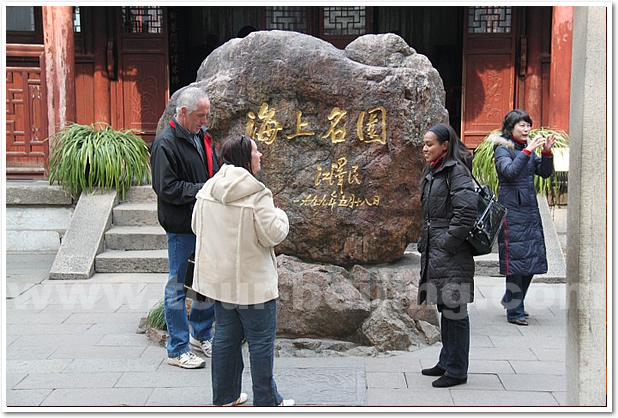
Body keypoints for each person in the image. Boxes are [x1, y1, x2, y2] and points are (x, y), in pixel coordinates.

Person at [191, 135, 295, 406]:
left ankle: (226, 397)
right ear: (245, 158)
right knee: (260, 344)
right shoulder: (257, 194)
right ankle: (267, 401)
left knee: (225, 337)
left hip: (220, 281)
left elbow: (195, 227)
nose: (260, 155)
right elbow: (272, 234)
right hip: (253, 283)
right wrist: (281, 215)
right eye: (256, 151)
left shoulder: (208, 189)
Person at [150, 87, 219, 369]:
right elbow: (166, 188)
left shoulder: (199, 136)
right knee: (177, 286)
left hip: (204, 221)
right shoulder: (165, 142)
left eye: (206, 116)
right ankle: (177, 348)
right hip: (181, 225)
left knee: (206, 282)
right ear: (183, 113)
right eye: (200, 116)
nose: (205, 121)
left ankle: (201, 334)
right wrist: (204, 189)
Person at [417, 123, 478, 388]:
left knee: (455, 310)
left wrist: (446, 241)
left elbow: (466, 213)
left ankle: (457, 370)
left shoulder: (456, 171)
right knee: (446, 307)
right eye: (424, 144)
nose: (425, 149)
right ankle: (446, 360)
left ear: (445, 145)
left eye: (430, 144)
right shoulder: (434, 170)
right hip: (439, 250)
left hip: (451, 252)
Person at [490, 109, 555, 326]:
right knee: (516, 264)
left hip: (529, 209)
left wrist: (546, 153)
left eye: (528, 125)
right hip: (512, 211)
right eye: (522, 126)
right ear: (510, 128)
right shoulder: (502, 148)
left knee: (531, 261)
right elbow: (508, 172)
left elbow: (544, 173)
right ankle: (514, 311)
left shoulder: (526, 149)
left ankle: (511, 300)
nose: (527, 129)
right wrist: (528, 151)